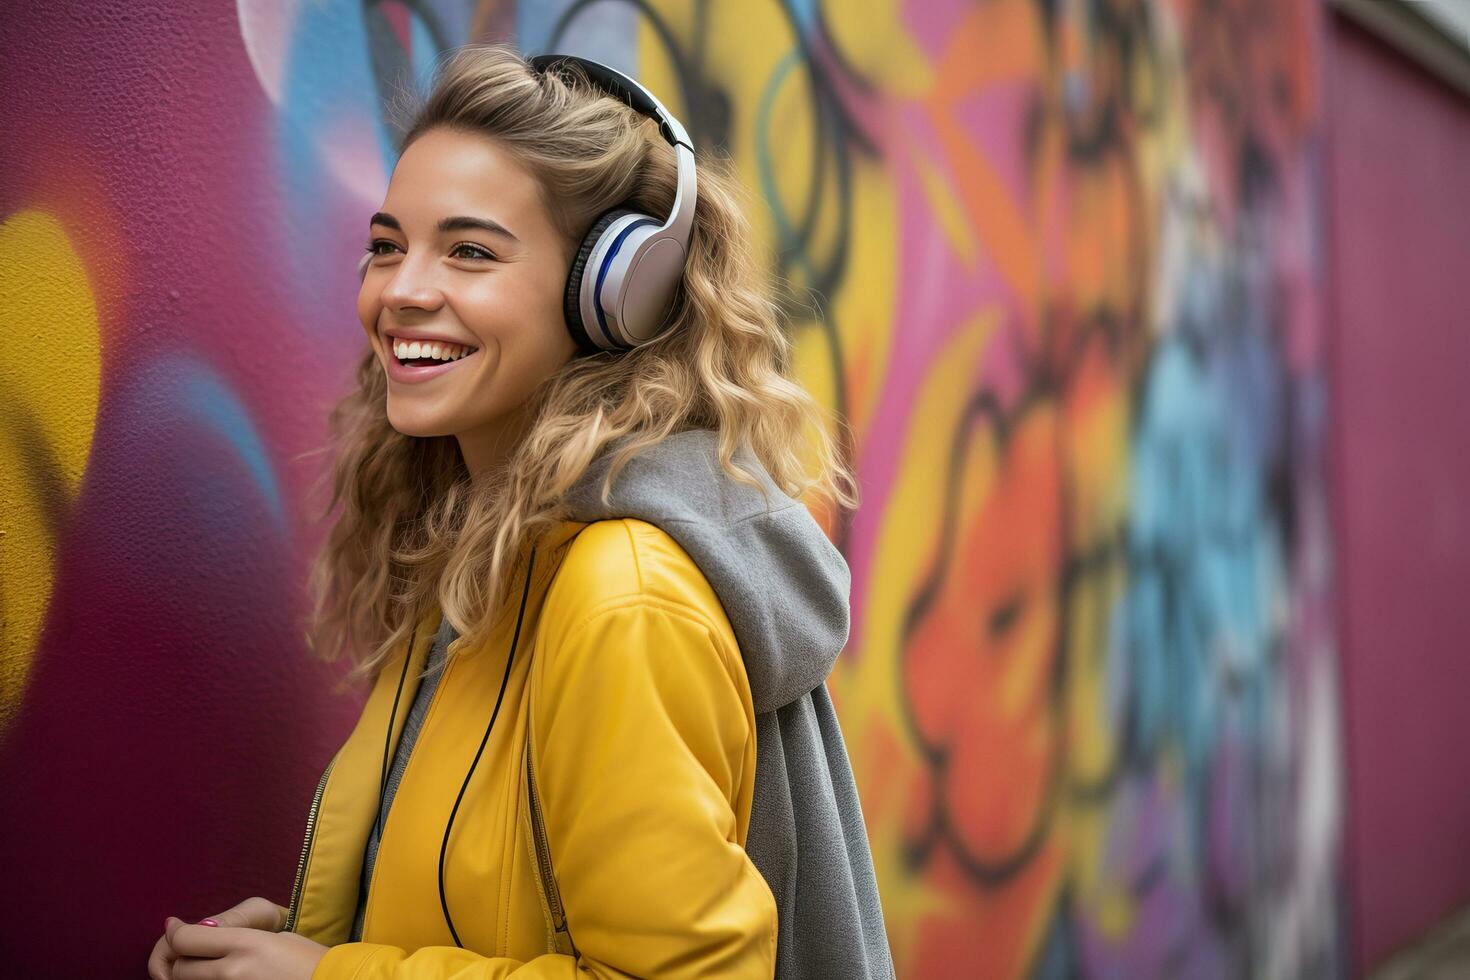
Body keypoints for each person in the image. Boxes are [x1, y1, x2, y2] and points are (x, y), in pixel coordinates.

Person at [149, 42, 893, 980]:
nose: (402, 292)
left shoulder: (622, 594)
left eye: (469, 252)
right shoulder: (489, 546)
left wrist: (326, 978)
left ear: (612, 295)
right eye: (386, 246)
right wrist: (326, 932)